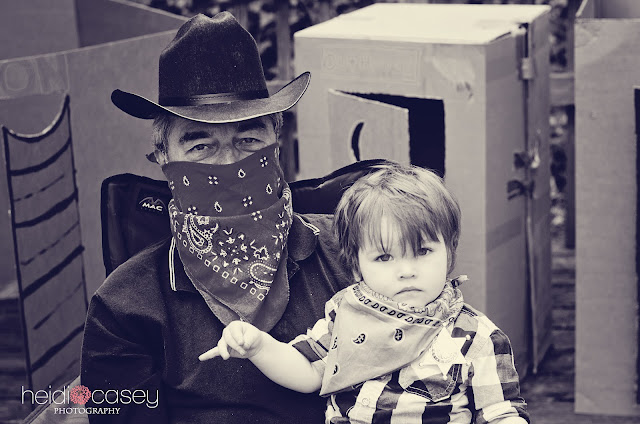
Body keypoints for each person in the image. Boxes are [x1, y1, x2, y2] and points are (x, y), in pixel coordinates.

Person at [80, 12, 351, 424]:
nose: (229, 164)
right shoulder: (123, 307)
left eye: (249, 139)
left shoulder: (353, 253)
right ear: (163, 158)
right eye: (200, 146)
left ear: (277, 144)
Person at [200, 164, 530, 424]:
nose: (406, 270)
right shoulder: (345, 314)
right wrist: (260, 346)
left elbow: (501, 413)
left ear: (450, 253)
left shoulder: (475, 337)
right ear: (357, 267)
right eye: (384, 257)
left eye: (422, 251)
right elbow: (309, 373)